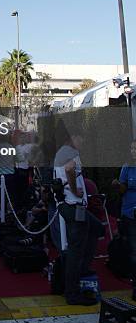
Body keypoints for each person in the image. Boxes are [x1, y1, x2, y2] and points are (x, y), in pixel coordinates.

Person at [54, 131, 104, 306]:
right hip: (73, 205)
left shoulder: (63, 151)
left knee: (96, 228)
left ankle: (81, 269)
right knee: (76, 249)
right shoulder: (70, 152)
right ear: (72, 138)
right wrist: (75, 190)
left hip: (73, 206)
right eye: (80, 138)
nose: (83, 141)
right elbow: (69, 169)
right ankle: (72, 292)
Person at [113, 140, 136, 300]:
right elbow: (122, 190)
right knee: (134, 251)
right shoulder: (126, 167)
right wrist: (117, 185)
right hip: (130, 214)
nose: (133, 151)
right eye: (132, 148)